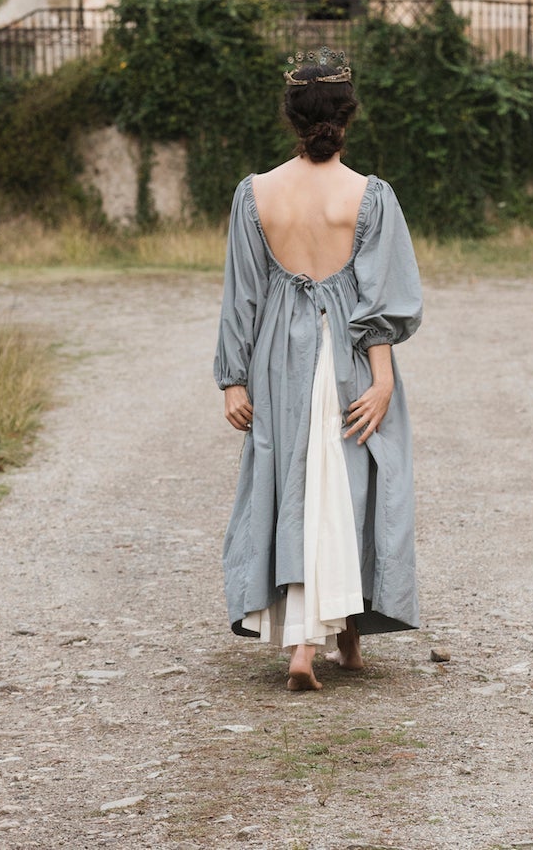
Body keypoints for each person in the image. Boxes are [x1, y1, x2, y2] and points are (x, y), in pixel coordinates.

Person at [214, 58, 422, 692]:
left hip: (279, 354)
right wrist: (381, 380)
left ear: (292, 118)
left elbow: (241, 294)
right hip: (350, 357)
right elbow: (378, 297)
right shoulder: (368, 195)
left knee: (295, 481)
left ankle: (314, 642)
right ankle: (336, 639)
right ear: (347, 117)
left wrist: (234, 379)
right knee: (349, 484)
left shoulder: (257, 193)